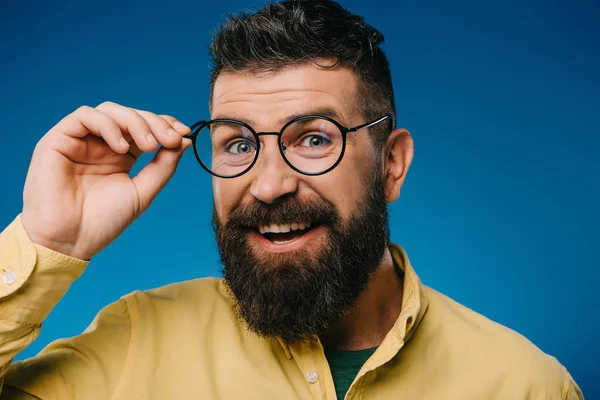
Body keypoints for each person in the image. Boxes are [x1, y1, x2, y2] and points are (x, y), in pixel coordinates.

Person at [0, 1, 583, 399]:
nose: (269, 183)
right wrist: (49, 242)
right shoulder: (131, 344)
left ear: (392, 164)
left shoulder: (527, 384)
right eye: (238, 144)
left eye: (313, 139)